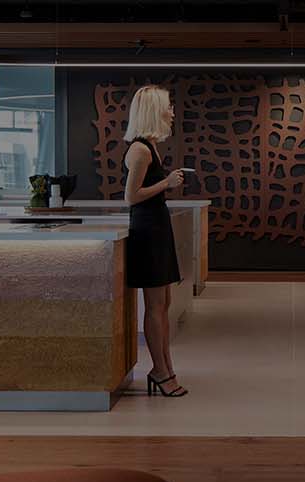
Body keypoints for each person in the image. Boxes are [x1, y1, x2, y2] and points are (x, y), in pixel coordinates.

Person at [122, 84, 189, 397]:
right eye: (168, 107)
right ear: (154, 111)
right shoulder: (139, 150)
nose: (172, 112)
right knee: (154, 306)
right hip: (147, 230)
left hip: (157, 228)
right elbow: (131, 197)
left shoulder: (150, 146)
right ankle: (161, 371)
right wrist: (167, 182)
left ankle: (166, 367)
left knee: (164, 304)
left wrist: (165, 182)